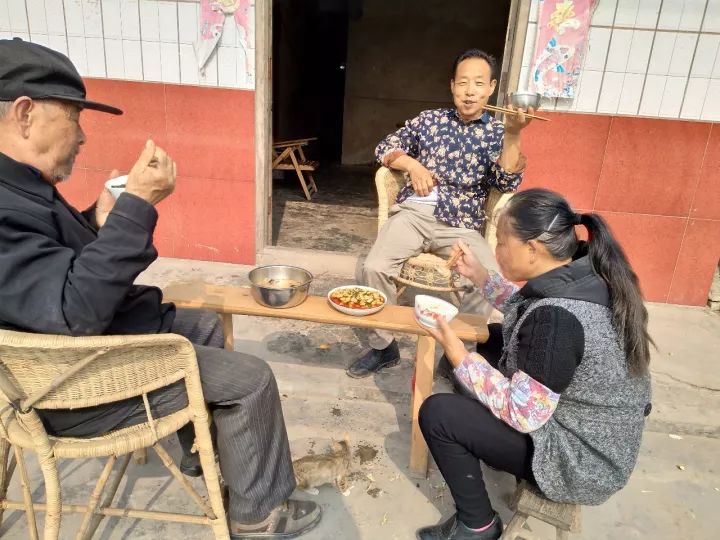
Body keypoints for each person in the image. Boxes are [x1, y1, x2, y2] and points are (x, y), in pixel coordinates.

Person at [0, 38, 320, 539]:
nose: (82, 135)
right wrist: (137, 208)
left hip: (83, 356)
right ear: (24, 113)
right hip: (75, 389)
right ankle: (260, 515)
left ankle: (202, 456)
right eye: (73, 116)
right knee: (252, 379)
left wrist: (102, 218)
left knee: (203, 322)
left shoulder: (21, 186)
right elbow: (76, 311)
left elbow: (56, 271)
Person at [415, 188, 653, 540]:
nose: (496, 252)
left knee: (439, 414)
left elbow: (523, 413)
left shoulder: (557, 320)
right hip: (598, 436)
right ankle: (476, 431)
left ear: (532, 249)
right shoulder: (585, 274)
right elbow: (524, 310)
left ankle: (477, 525)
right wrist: (479, 275)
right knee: (495, 338)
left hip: (579, 460)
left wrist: (457, 355)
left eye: (501, 243)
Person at [347, 48, 534, 378]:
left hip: (461, 225)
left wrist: (514, 134)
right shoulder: (430, 120)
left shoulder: (497, 133)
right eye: (463, 82)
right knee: (374, 266)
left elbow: (507, 179)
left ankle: (458, 352)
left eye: (478, 83)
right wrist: (411, 164)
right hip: (414, 214)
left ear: (491, 88)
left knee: (489, 281)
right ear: (452, 86)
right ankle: (383, 346)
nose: (469, 90)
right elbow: (385, 147)